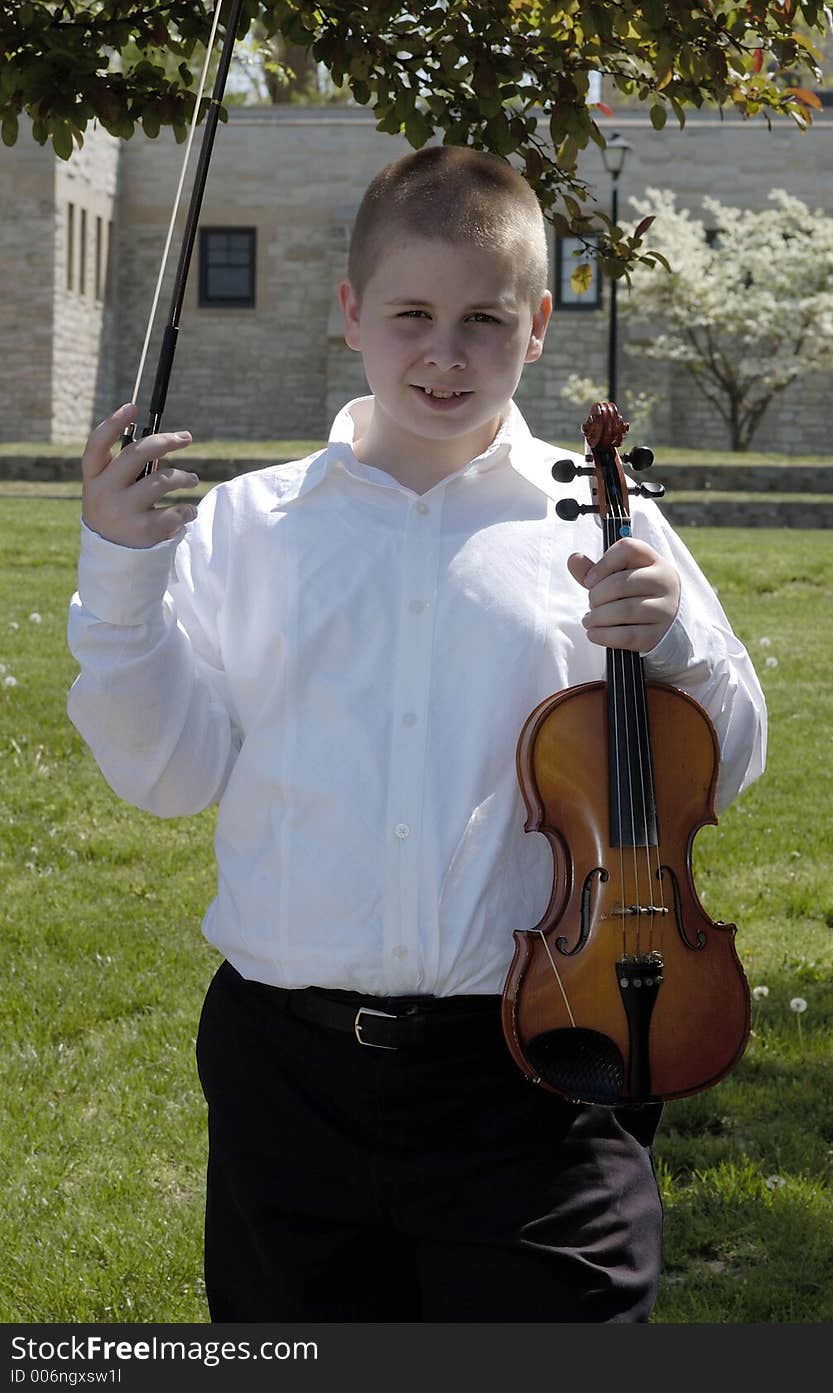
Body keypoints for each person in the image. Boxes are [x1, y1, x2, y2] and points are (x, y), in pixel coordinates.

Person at [67, 144, 767, 1323]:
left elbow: (726, 760)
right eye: (411, 314)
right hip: (288, 1076)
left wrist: (677, 651)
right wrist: (122, 578)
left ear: (538, 324)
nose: (446, 353)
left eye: (484, 320)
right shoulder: (250, 523)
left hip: (541, 1063)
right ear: (350, 312)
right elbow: (163, 774)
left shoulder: (601, 516)